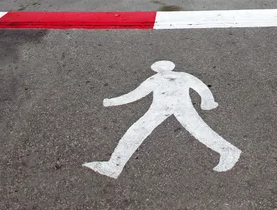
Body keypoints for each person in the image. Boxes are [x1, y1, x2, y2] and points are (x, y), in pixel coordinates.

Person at [83, 60, 241, 179]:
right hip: (161, 108)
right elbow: (201, 87)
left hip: (178, 107)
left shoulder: (162, 78)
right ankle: (113, 166)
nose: (161, 69)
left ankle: (229, 151)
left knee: (200, 131)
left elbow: (200, 87)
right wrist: (207, 102)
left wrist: (208, 101)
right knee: (137, 131)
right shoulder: (166, 78)